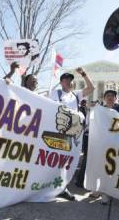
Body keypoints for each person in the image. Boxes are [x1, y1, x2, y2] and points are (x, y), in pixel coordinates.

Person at [49, 67, 95, 201]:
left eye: (71, 80)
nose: (69, 82)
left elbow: (91, 88)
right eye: (66, 79)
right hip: (57, 133)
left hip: (72, 136)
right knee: (54, 161)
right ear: (61, 82)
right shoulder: (55, 93)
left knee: (66, 163)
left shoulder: (76, 95)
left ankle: (62, 188)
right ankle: (51, 186)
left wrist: (83, 74)